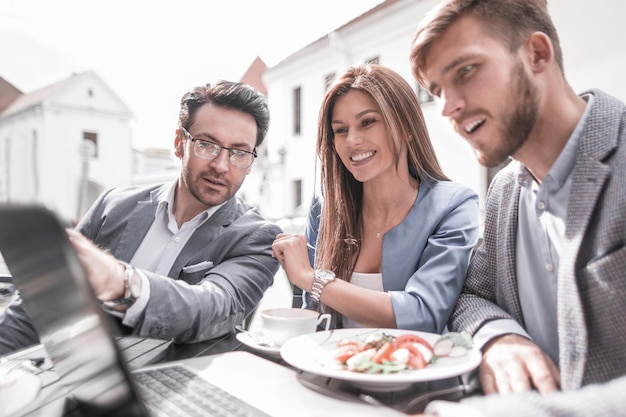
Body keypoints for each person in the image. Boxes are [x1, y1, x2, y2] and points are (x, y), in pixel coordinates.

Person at [408, 0, 626, 415]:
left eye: (465, 71)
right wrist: (497, 336)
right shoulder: (505, 191)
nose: (448, 107)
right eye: (438, 91)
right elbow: (470, 294)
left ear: (537, 54)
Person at [0, 80, 281, 354]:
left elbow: (214, 307)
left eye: (239, 152)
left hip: (181, 391)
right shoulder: (112, 206)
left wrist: (121, 282)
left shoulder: (258, 238)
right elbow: (40, 303)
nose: (221, 165)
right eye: (207, 145)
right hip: (87, 376)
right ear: (179, 143)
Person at [271, 63, 480, 332]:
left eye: (367, 122)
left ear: (406, 127)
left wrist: (312, 279)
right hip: (327, 370)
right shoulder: (324, 209)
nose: (352, 141)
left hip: (413, 371)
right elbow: (311, 316)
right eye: (341, 130)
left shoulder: (453, 207)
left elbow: (424, 313)